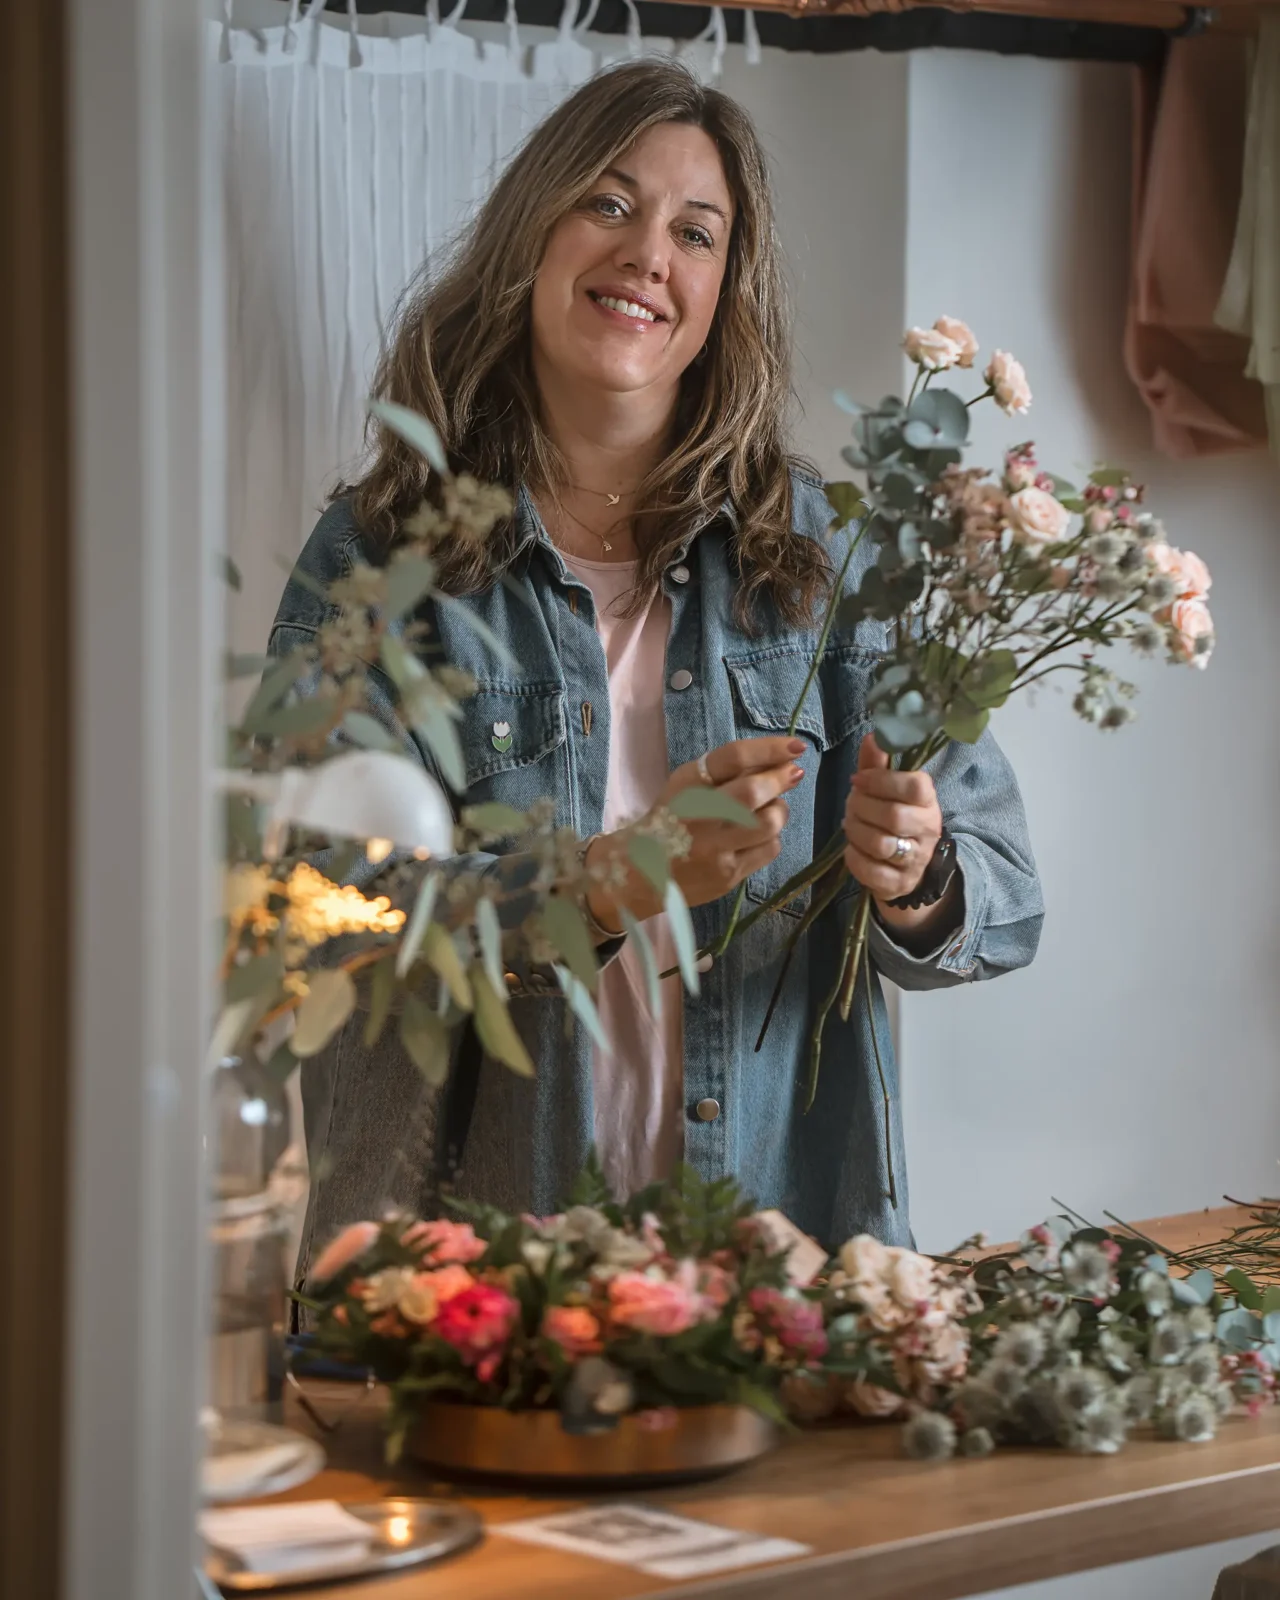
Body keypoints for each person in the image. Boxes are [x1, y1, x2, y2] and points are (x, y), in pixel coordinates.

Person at [269, 58, 1043, 1277]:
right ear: (534, 231)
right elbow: (320, 918)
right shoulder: (378, 561)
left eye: (695, 231)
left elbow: (1000, 897)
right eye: (609, 204)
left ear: (723, 290)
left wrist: (917, 871)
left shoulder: (818, 554)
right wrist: (603, 885)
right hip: (464, 1284)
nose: (647, 256)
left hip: (777, 1274)